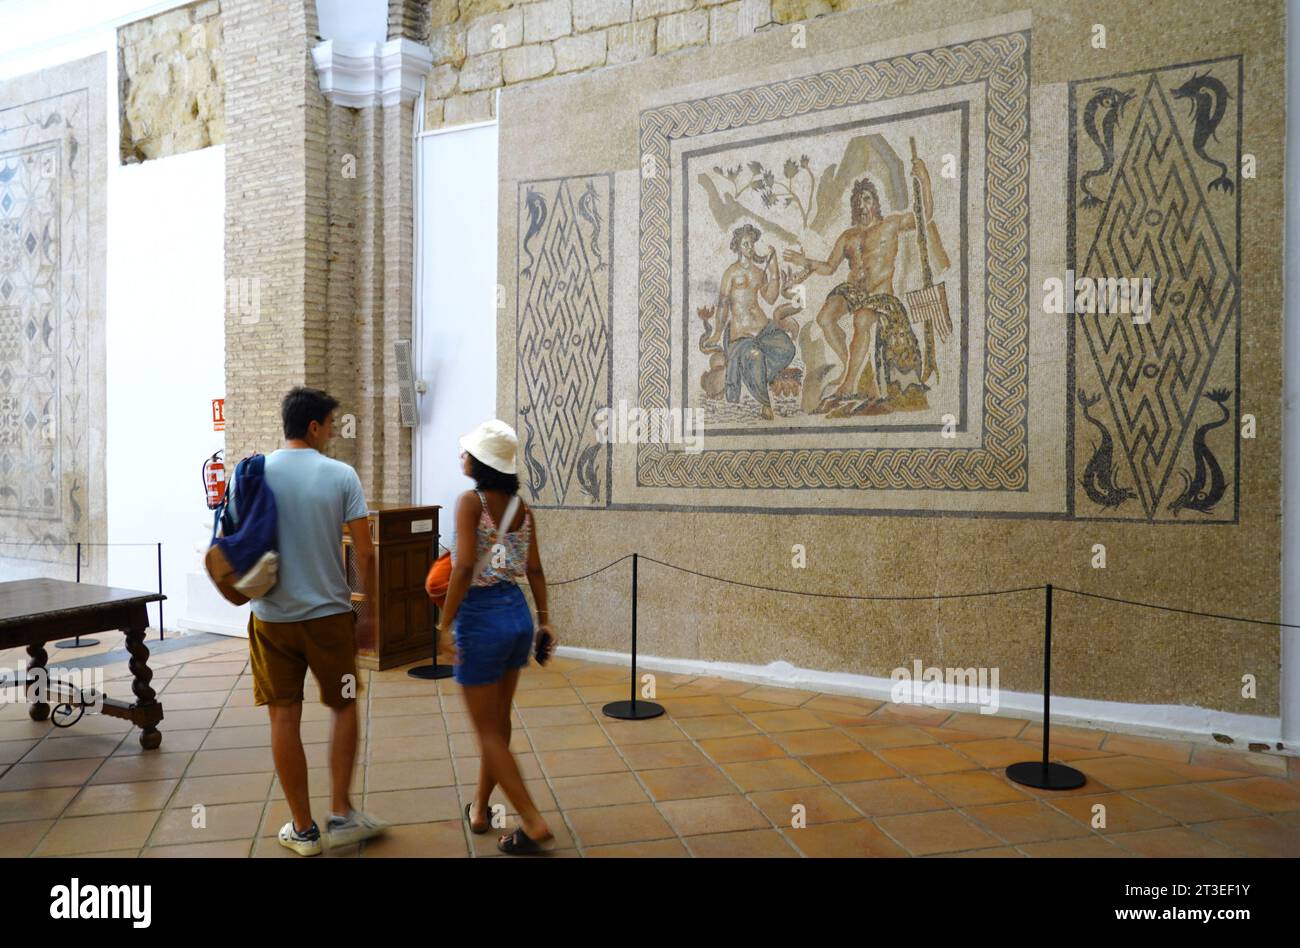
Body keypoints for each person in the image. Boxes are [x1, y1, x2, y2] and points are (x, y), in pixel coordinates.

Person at [249, 386, 387, 855]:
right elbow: (365, 552)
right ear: (313, 426)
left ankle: (303, 829)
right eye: (330, 425)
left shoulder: (253, 471)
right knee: (344, 706)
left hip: (270, 619)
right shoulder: (340, 475)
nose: (332, 433)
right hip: (330, 620)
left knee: (283, 715)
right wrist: (369, 612)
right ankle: (342, 815)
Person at [436, 419, 558, 855]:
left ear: (481, 462)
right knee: (498, 723)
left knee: (487, 730)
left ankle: (532, 818)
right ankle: (481, 807)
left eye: (466, 452)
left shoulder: (470, 503)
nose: (461, 457)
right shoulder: (521, 508)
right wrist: (544, 620)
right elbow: (536, 569)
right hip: (517, 616)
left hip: (482, 617)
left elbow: (465, 567)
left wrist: (444, 624)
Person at [700, 224, 797, 419]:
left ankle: (753, 375)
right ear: (737, 246)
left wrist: (774, 267)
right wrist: (718, 333)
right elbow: (723, 305)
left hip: (763, 329)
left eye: (752, 244)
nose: (750, 248)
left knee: (787, 348)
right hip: (741, 334)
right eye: (746, 244)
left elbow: (770, 297)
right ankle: (765, 403)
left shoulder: (758, 272)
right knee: (754, 355)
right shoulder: (731, 273)